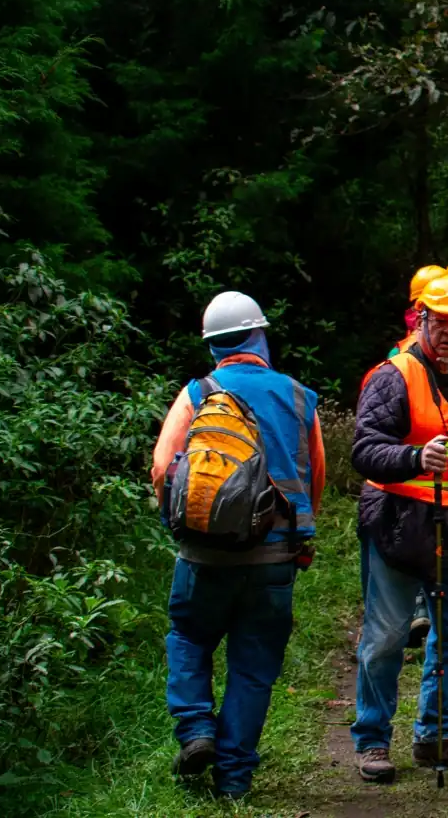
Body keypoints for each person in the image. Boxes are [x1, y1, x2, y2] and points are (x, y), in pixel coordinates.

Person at [151, 291, 324, 799]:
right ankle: (234, 781)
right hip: (274, 558)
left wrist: (180, 523)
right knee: (253, 667)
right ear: (260, 336)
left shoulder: (197, 392)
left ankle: (196, 730)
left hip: (203, 555)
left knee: (188, 637)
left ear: (213, 347)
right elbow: (314, 472)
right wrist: (298, 536)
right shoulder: (298, 396)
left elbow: (163, 468)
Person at [351, 274, 448, 783]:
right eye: (441, 322)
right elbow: (364, 450)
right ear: (421, 319)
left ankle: (437, 734)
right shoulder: (391, 377)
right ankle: (373, 741)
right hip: (397, 526)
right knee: (388, 636)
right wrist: (416, 456)